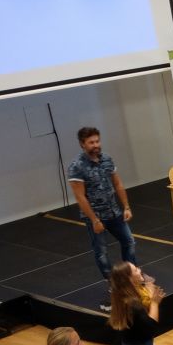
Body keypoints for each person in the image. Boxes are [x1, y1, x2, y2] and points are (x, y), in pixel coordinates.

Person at [67, 127, 136, 309]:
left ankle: (131, 277)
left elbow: (117, 183)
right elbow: (80, 197)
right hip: (95, 217)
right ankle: (114, 284)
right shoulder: (77, 166)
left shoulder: (106, 159)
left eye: (97, 141)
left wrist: (126, 206)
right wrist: (94, 220)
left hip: (114, 212)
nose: (96, 145)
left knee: (129, 242)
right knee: (101, 252)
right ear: (82, 144)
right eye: (91, 142)